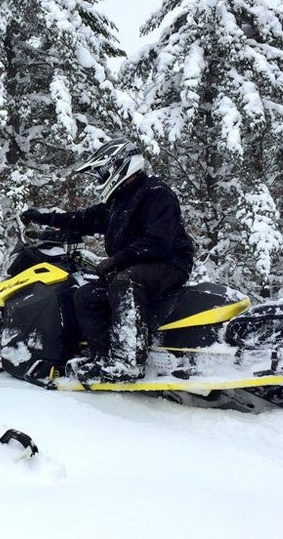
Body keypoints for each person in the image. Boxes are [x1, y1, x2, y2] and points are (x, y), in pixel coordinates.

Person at [20, 138, 195, 383]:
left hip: (169, 262)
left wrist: (115, 261)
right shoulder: (119, 201)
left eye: (102, 173)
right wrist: (44, 218)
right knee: (85, 295)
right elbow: (84, 219)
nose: (101, 180)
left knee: (124, 281)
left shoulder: (156, 194)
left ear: (118, 165)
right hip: (136, 266)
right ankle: (103, 359)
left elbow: (157, 242)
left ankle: (128, 362)